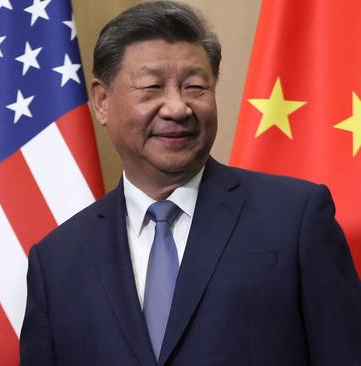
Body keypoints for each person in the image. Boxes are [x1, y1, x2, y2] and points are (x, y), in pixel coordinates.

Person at [20, 1, 361, 365]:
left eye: (195, 86)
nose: (177, 107)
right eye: (152, 87)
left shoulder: (295, 218)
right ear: (102, 101)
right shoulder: (57, 260)